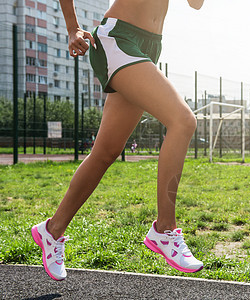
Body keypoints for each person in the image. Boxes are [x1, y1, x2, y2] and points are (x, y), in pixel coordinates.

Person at [31, 0, 205, 281]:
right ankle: (164, 229)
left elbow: (195, 4)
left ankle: (51, 231)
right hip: (118, 39)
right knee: (183, 121)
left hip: (149, 45)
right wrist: (73, 27)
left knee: (106, 152)